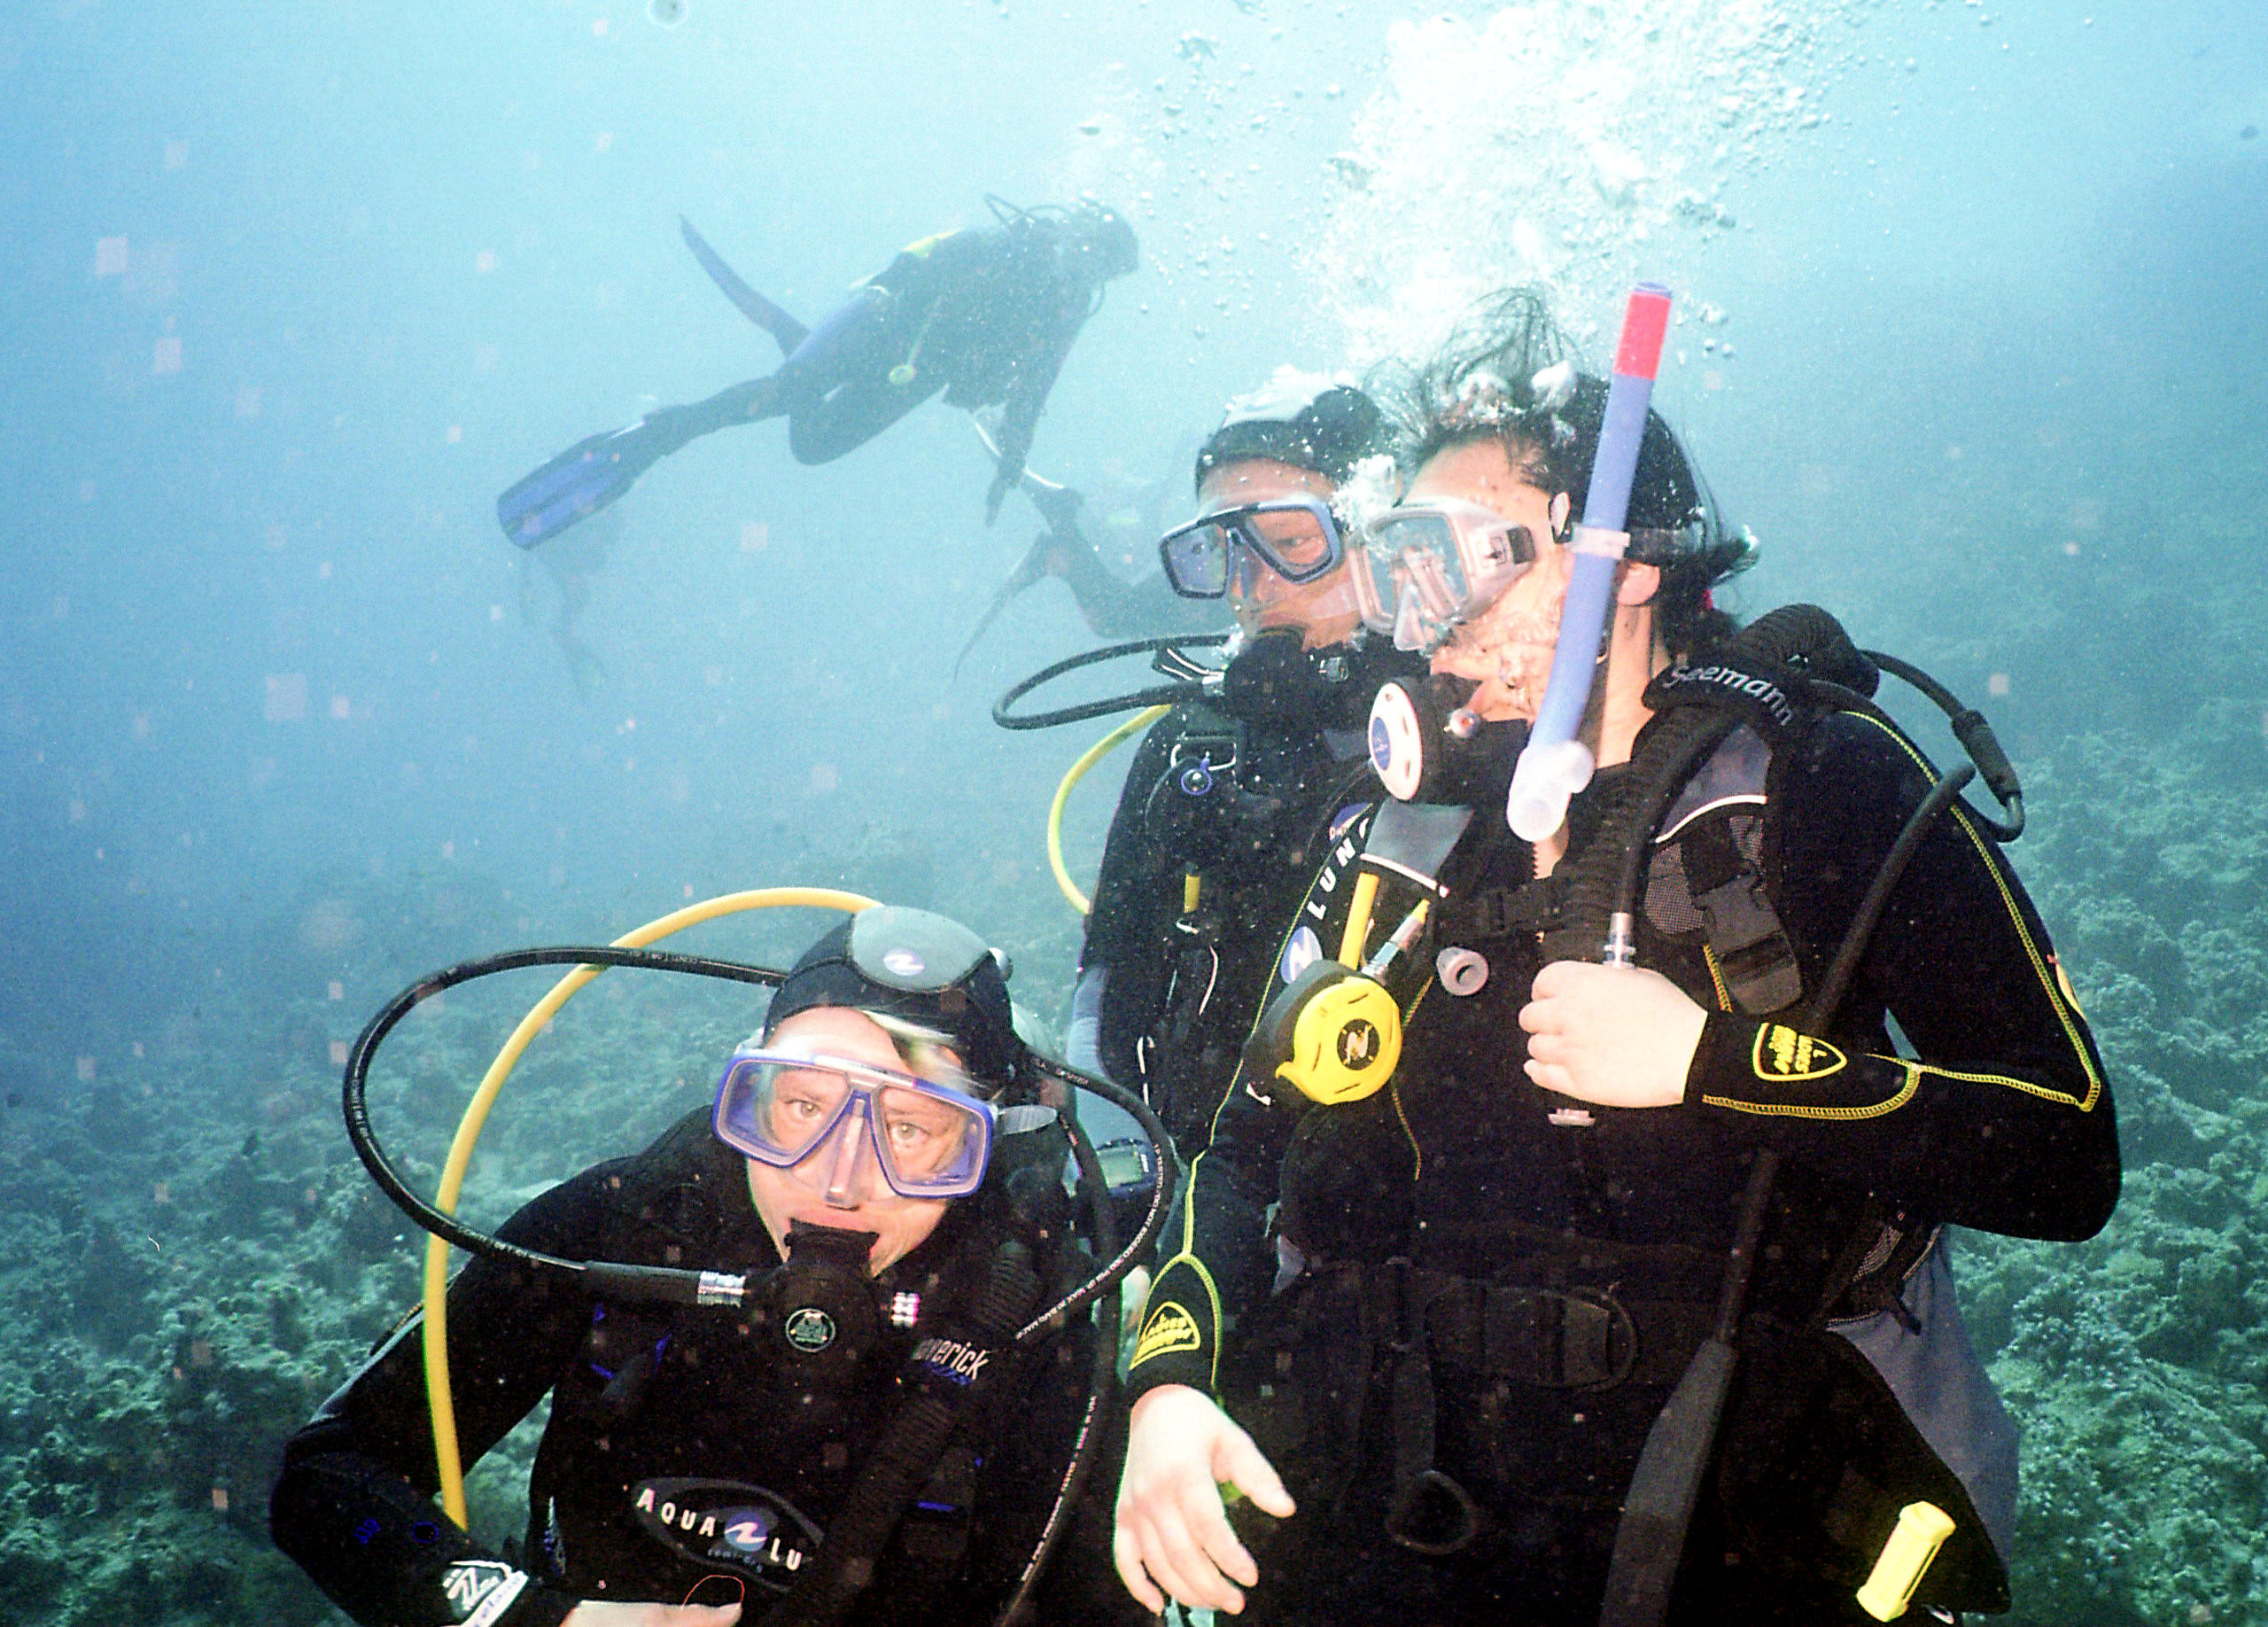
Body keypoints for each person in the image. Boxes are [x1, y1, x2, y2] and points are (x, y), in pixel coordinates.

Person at [1110, 292, 2119, 1623]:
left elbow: (2065, 1151)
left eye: (1459, 559)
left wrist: (1716, 1062)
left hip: (1733, 1534)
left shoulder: (1817, 785)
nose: (1427, 619)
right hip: (1404, 1516)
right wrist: (1167, 1383)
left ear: (1626, 563)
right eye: (1401, 566)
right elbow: (1237, 1145)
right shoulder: (1400, 827)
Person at [272, 906, 1141, 1627]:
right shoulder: (627, 1227)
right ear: (749, 1096)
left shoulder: (1030, 1327)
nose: (837, 1182)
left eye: (909, 1128)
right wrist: (529, 1617)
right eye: (803, 1107)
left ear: (983, 1151)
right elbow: (327, 1477)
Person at [1065, 370, 1419, 1157]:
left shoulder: (1475, 740)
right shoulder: (1188, 748)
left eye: (1291, 544)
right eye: (1222, 552)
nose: (1252, 587)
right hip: (1197, 1183)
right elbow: (1104, 996)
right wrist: (1127, 1178)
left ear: (1386, 538)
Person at [498, 198, 1141, 548]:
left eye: (1100, 271)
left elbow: (1035, 391)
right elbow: (922, 259)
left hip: (915, 376)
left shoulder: (1064, 314)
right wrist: (883, 295)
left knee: (812, 448)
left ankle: (790, 342)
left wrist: (1010, 468)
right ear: (1072, 233)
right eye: (1089, 255)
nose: (1085, 272)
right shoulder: (1006, 245)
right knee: (785, 394)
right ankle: (663, 433)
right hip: (882, 325)